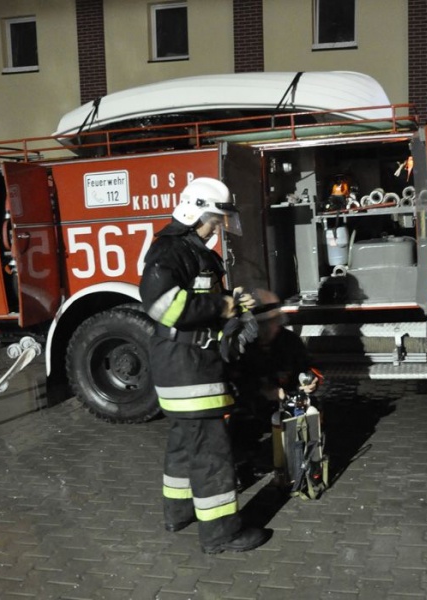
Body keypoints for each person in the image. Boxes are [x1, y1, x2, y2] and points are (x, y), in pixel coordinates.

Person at [139, 177, 271, 554]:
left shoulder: (192, 251)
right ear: (194, 212)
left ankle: (178, 513)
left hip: (186, 366)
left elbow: (198, 297)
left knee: (184, 444)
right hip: (189, 369)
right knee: (212, 454)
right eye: (214, 220)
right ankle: (221, 534)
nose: (217, 228)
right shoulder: (170, 251)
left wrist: (230, 299)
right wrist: (221, 307)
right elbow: (161, 305)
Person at [223, 289, 319, 477]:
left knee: (311, 412)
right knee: (238, 422)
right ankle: (242, 464)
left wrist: (311, 381)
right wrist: (263, 390)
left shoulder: (290, 342)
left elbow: (310, 367)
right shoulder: (240, 347)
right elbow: (233, 380)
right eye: (264, 324)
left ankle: (302, 462)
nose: (271, 328)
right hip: (251, 404)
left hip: (288, 401)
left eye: (274, 321)